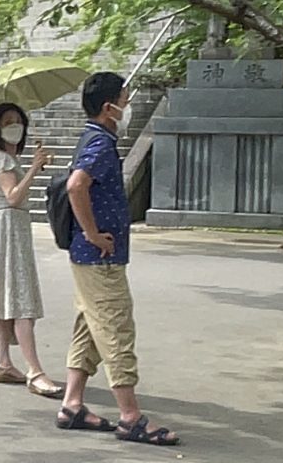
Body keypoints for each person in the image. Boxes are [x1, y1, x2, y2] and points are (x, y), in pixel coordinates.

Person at [56, 72, 180, 446]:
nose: (127, 105)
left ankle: (72, 404)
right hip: (99, 255)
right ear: (109, 107)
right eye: (125, 99)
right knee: (115, 328)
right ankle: (131, 417)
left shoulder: (94, 139)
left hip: (90, 255)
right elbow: (77, 185)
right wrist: (93, 234)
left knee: (89, 327)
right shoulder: (98, 143)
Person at [0, 102, 62, 398]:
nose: (14, 126)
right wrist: (32, 170)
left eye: (18, 121)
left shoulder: (6, 158)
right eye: (8, 122)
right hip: (10, 228)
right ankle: (35, 371)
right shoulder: (1, 159)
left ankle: (3, 362)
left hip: (12, 229)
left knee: (5, 297)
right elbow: (13, 196)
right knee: (20, 300)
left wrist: (32, 167)